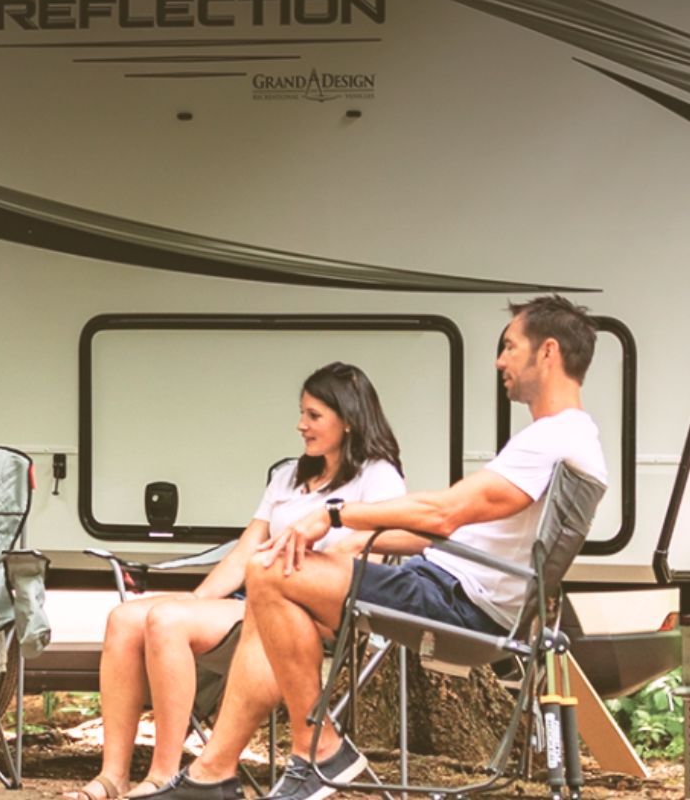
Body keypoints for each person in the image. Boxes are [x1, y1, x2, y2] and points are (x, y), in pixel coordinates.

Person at [144, 295, 607, 800]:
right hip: (446, 583)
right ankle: (214, 774)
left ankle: (317, 749)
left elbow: (445, 513)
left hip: (458, 602)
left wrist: (335, 515)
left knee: (271, 571)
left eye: (510, 347)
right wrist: (360, 534)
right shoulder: (562, 437)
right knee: (271, 575)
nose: (500, 360)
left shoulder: (555, 438)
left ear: (548, 353)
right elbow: (453, 526)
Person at [66, 362, 407, 800]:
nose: (300, 425)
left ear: (349, 418)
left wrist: (181, 614)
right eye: (302, 413)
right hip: (255, 596)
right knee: (126, 618)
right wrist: (196, 602)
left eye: (314, 415)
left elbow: (372, 556)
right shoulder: (291, 475)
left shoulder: (377, 476)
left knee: (167, 621)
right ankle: (113, 776)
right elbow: (246, 550)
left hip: (311, 614)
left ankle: (164, 778)